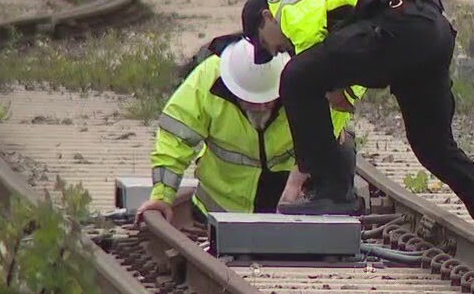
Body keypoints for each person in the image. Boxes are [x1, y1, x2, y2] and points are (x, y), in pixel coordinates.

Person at [241, 0, 474, 257]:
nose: (278, 50)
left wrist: (303, 173)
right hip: (430, 31)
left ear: (267, 17)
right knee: (434, 149)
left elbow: (308, 39)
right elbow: (336, 87)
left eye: (268, 45)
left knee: (294, 76)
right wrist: (336, 92)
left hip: (396, 21)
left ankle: (331, 191)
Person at [135, 31, 363, 227]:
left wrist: (297, 181)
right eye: (252, 100)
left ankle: (330, 213)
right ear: (233, 88)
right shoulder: (207, 80)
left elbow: (333, 121)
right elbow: (175, 138)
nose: (262, 105)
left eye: (268, 99)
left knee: (343, 143)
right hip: (220, 210)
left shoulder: (301, 79)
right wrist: (162, 197)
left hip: (291, 207)